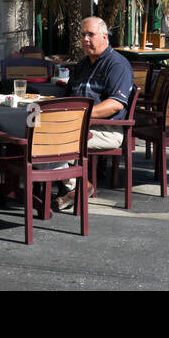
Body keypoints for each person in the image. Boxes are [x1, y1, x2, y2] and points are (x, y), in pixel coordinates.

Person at [55, 16, 134, 211]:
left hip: (108, 130)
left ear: (105, 37)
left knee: (56, 140)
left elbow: (115, 104)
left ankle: (77, 188)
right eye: (82, 35)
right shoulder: (83, 64)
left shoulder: (117, 65)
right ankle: (73, 186)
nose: (85, 39)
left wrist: (80, 116)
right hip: (78, 126)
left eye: (90, 34)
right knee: (39, 134)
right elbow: (68, 95)